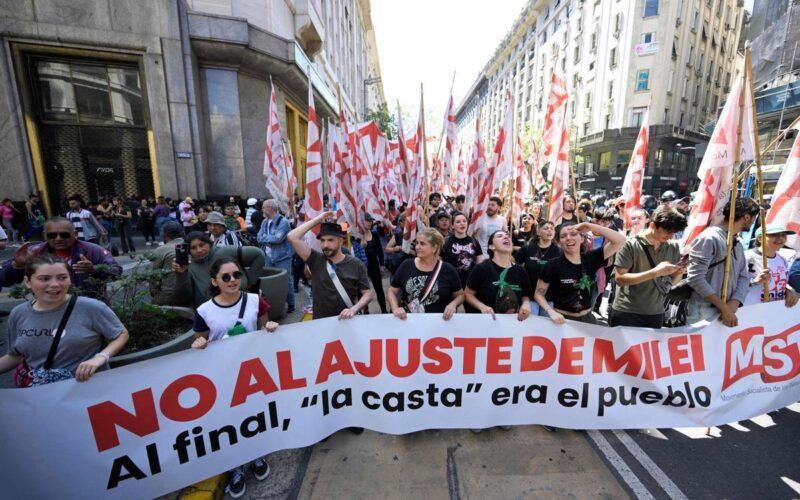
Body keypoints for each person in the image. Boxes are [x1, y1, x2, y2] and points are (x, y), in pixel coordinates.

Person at [188, 256, 276, 497]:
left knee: (254, 417)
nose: (232, 280)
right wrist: (199, 343)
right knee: (230, 422)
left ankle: (257, 456)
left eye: (236, 275)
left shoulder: (255, 300)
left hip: (253, 373)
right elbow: (200, 339)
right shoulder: (204, 311)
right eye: (225, 277)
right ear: (214, 281)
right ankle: (235, 467)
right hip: (222, 377)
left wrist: (269, 329)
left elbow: (262, 330)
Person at [0, 255, 129, 385]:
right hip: (39, 393)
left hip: (87, 389)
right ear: (27, 282)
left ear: (70, 280)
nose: (55, 284)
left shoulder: (91, 308)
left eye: (62, 278)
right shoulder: (18, 313)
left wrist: (101, 357)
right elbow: (15, 355)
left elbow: (121, 334)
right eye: (44, 279)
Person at [0, 217, 121, 300]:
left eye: (64, 234)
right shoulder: (33, 252)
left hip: (90, 309)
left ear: (75, 234)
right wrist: (18, 265)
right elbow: (5, 281)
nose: (58, 239)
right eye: (52, 235)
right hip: (49, 310)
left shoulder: (92, 250)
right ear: (44, 235)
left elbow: (116, 272)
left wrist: (94, 270)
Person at [610, 207, 688, 328]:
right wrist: (655, 272)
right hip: (627, 312)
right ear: (652, 225)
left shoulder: (673, 247)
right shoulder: (630, 244)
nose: (670, 236)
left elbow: (671, 284)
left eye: (674, 232)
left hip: (655, 313)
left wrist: (680, 271)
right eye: (667, 231)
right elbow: (620, 279)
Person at [686, 198, 759, 327]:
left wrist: (734, 303)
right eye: (754, 217)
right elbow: (695, 278)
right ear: (747, 217)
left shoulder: (737, 243)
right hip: (704, 311)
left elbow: (743, 277)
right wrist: (724, 308)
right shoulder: (709, 238)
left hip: (729, 311)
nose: (754, 221)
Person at [287, 211, 373, 319]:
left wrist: (354, 309)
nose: (325, 245)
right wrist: (317, 220)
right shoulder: (315, 260)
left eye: (330, 240)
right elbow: (292, 237)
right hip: (321, 324)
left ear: (341, 241)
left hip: (347, 322)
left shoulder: (356, 264)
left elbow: (368, 294)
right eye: (322, 240)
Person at [535, 222, 625, 325]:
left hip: (587, 320)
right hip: (561, 320)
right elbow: (538, 294)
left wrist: (590, 226)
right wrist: (549, 311)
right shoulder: (552, 265)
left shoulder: (591, 258)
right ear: (559, 242)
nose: (568, 238)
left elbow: (620, 240)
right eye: (563, 236)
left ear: (582, 238)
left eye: (573, 234)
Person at [171, 232, 265, 308]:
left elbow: (258, 255)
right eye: (193, 248)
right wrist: (181, 275)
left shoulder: (226, 251)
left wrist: (250, 282)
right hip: (210, 313)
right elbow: (184, 297)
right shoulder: (189, 265)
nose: (199, 250)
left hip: (241, 305)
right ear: (189, 251)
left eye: (202, 245)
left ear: (209, 243)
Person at [388, 228, 464, 319]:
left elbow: (460, 295)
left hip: (438, 324)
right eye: (417, 243)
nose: (417, 247)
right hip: (410, 323)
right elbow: (391, 291)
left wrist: (453, 305)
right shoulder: (406, 265)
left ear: (434, 247)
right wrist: (395, 308)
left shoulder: (448, 269)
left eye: (422, 244)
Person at [465, 229, 533, 320]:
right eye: (500, 236)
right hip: (487, 323)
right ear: (491, 246)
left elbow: (525, 295)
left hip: (513, 325)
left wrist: (526, 304)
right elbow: (468, 294)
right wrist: (482, 307)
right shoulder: (482, 268)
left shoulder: (521, 271)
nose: (506, 237)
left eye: (507, 236)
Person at [744, 225, 798, 308]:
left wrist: (789, 290)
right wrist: (755, 282)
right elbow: (731, 286)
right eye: (774, 234)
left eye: (783, 235)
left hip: (774, 312)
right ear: (760, 239)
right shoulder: (746, 257)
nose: (780, 238)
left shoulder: (782, 259)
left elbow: (780, 282)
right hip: (752, 311)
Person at [515, 221, 561, 316]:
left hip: (550, 298)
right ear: (538, 232)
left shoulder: (559, 251)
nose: (549, 230)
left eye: (552, 229)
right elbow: (515, 264)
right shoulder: (528, 248)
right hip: (530, 297)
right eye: (546, 228)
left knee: (546, 328)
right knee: (530, 328)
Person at [258, 199, 296, 313]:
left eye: (263, 207)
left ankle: (291, 304)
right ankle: (274, 302)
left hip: (282, 256)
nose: (262, 209)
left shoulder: (283, 222)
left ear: (270, 208)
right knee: (270, 279)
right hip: (269, 256)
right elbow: (259, 237)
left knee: (286, 279)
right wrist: (268, 239)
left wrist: (265, 238)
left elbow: (278, 239)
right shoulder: (264, 222)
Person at [441, 212, 483, 305]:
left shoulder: (474, 241)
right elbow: (440, 262)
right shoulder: (446, 242)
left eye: (464, 221)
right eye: (458, 221)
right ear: (452, 225)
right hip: (452, 284)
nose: (462, 223)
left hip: (470, 284)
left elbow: (480, 263)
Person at [147, 221, 185, 305]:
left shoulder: (161, 250)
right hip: (191, 293)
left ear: (165, 235)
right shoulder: (192, 246)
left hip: (168, 293)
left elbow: (153, 275)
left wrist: (154, 293)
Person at [363, 215, 388, 313]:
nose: (370, 223)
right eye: (367, 220)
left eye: (371, 221)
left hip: (374, 266)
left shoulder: (374, 233)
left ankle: (384, 310)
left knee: (379, 290)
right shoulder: (355, 236)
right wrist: (361, 246)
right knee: (362, 291)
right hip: (362, 268)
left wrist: (382, 265)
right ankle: (365, 311)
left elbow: (380, 251)